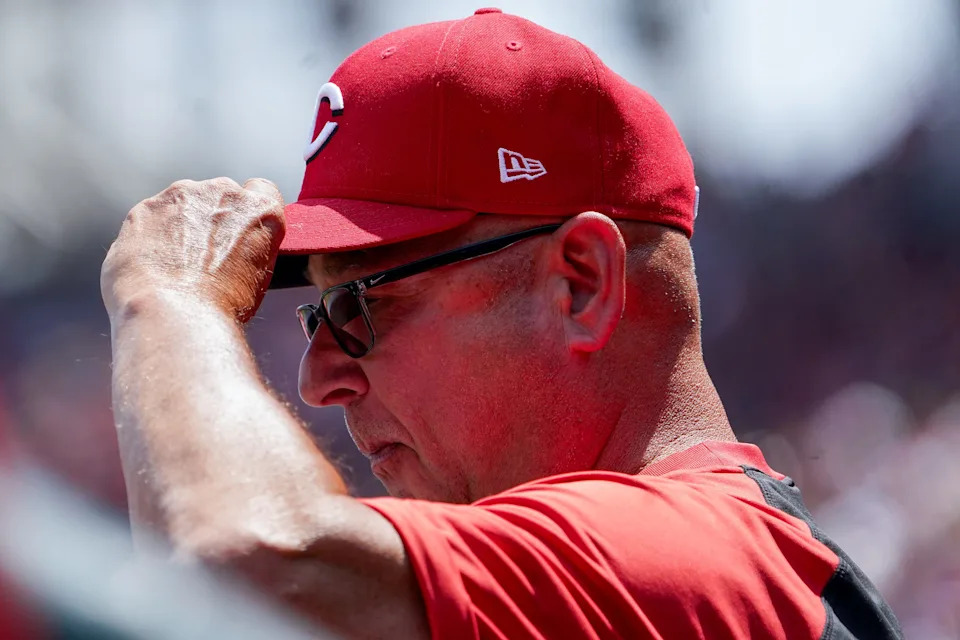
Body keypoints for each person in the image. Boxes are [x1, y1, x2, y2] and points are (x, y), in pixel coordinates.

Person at [100, 8, 903, 639]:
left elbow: (246, 558)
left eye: (361, 302)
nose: (318, 379)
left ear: (580, 283)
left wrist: (168, 298)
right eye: (318, 313)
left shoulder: (699, 554)